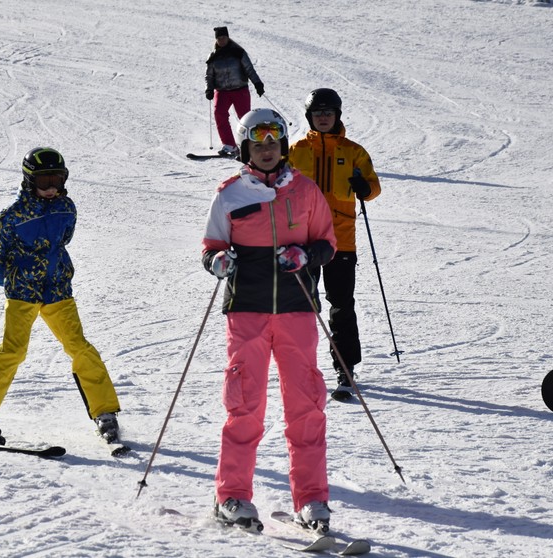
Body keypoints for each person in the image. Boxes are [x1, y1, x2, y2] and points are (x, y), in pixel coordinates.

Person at [201, 109, 337, 533]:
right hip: (248, 311)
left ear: (282, 146)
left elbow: (327, 243)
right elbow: (210, 245)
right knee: (244, 406)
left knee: (307, 407)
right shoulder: (229, 194)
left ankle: (312, 500)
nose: (266, 151)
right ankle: (233, 495)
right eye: (257, 144)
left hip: (297, 310)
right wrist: (219, 260)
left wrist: (306, 255)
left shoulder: (306, 191)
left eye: (273, 143)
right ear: (246, 148)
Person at [0, 147, 122, 446]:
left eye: (56, 180)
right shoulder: (13, 216)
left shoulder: (66, 208)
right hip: (23, 292)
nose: (50, 188)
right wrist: (11, 272)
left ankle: (105, 412)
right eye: (44, 181)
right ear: (29, 181)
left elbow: (64, 239)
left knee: (80, 348)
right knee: (13, 351)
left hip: (58, 289)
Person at [288, 88, 382, 400]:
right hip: (304, 241)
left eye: (329, 112)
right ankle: (301, 369)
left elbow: (373, 188)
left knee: (342, 306)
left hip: (341, 241)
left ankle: (346, 369)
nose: (324, 117)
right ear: (310, 118)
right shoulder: (296, 150)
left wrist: (363, 187)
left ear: (338, 115)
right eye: (318, 113)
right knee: (302, 307)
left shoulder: (354, 152)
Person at [205, 26, 265, 158]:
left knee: (245, 118)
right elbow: (209, 75)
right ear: (216, 40)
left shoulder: (238, 52)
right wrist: (209, 89)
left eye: (224, 37)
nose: (221, 40)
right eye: (219, 38)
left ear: (228, 37)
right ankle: (229, 145)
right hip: (222, 91)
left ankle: (249, 144)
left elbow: (249, 69)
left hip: (240, 90)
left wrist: (257, 83)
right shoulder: (213, 56)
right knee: (219, 114)